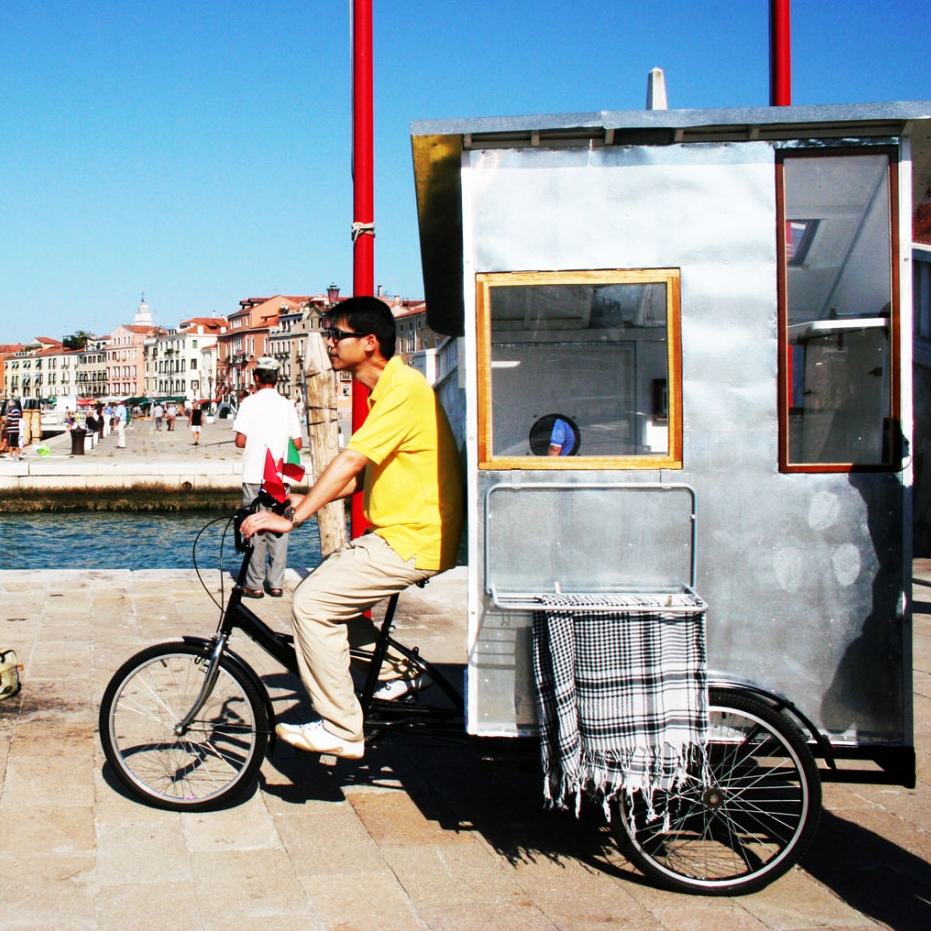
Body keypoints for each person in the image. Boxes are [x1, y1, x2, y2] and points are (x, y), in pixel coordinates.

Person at [241, 296, 464, 760]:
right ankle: (399, 673)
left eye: (335, 335)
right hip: (400, 535)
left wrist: (292, 519)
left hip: (412, 538)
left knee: (312, 604)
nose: (328, 343)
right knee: (326, 591)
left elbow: (349, 461)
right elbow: (362, 477)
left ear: (369, 342)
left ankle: (342, 726)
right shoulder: (391, 390)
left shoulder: (404, 389)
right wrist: (294, 500)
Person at [233, 358, 303, 599]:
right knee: (279, 529)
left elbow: (240, 441)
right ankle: (276, 583)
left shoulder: (248, 403)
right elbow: (298, 443)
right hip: (280, 477)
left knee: (254, 527)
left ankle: (254, 584)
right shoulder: (287, 405)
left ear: (256, 378)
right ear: (277, 378)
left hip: (254, 474)